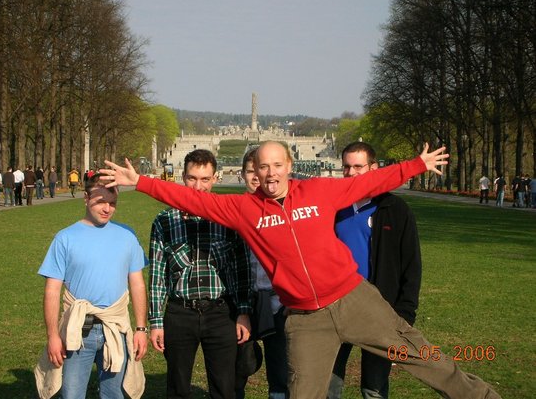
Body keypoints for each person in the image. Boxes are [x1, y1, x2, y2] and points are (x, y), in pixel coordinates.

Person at [102, 141, 500, 399]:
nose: (271, 173)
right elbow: (190, 199)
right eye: (263, 166)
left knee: (421, 355)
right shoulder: (243, 210)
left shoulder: (320, 191)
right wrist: (142, 182)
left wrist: (415, 164)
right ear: (254, 172)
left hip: (354, 300)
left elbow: (371, 182)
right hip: (307, 320)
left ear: (289, 166)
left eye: (278, 165)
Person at [148, 149, 251, 399]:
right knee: (177, 386)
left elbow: (240, 269)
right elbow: (157, 276)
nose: (198, 186)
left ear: (215, 178)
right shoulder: (165, 220)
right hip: (180, 311)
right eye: (193, 178)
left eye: (205, 179)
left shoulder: (229, 218)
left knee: (224, 386)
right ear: (183, 177)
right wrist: (156, 321)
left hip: (220, 312)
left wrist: (244, 312)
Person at [34, 173, 148, 399]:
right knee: (72, 394)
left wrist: (141, 329)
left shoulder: (127, 235)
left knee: (113, 394)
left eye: (112, 203)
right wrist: (53, 336)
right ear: (86, 198)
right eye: (100, 202)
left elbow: (137, 284)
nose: (107, 208)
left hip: (115, 327)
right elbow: (52, 290)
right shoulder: (65, 238)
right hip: (79, 329)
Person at [327, 142, 422, 399]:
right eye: (346, 167)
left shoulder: (396, 210)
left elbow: (411, 266)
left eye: (358, 166)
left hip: (380, 309)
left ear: (374, 168)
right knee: (329, 384)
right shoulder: (332, 207)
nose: (351, 173)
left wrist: (405, 314)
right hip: (337, 306)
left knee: (375, 388)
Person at [236, 148, 288, 399]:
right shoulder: (233, 211)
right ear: (244, 175)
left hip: (277, 300)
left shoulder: (283, 210)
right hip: (242, 300)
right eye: (251, 171)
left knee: (280, 366)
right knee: (238, 366)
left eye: (260, 169)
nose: (257, 176)